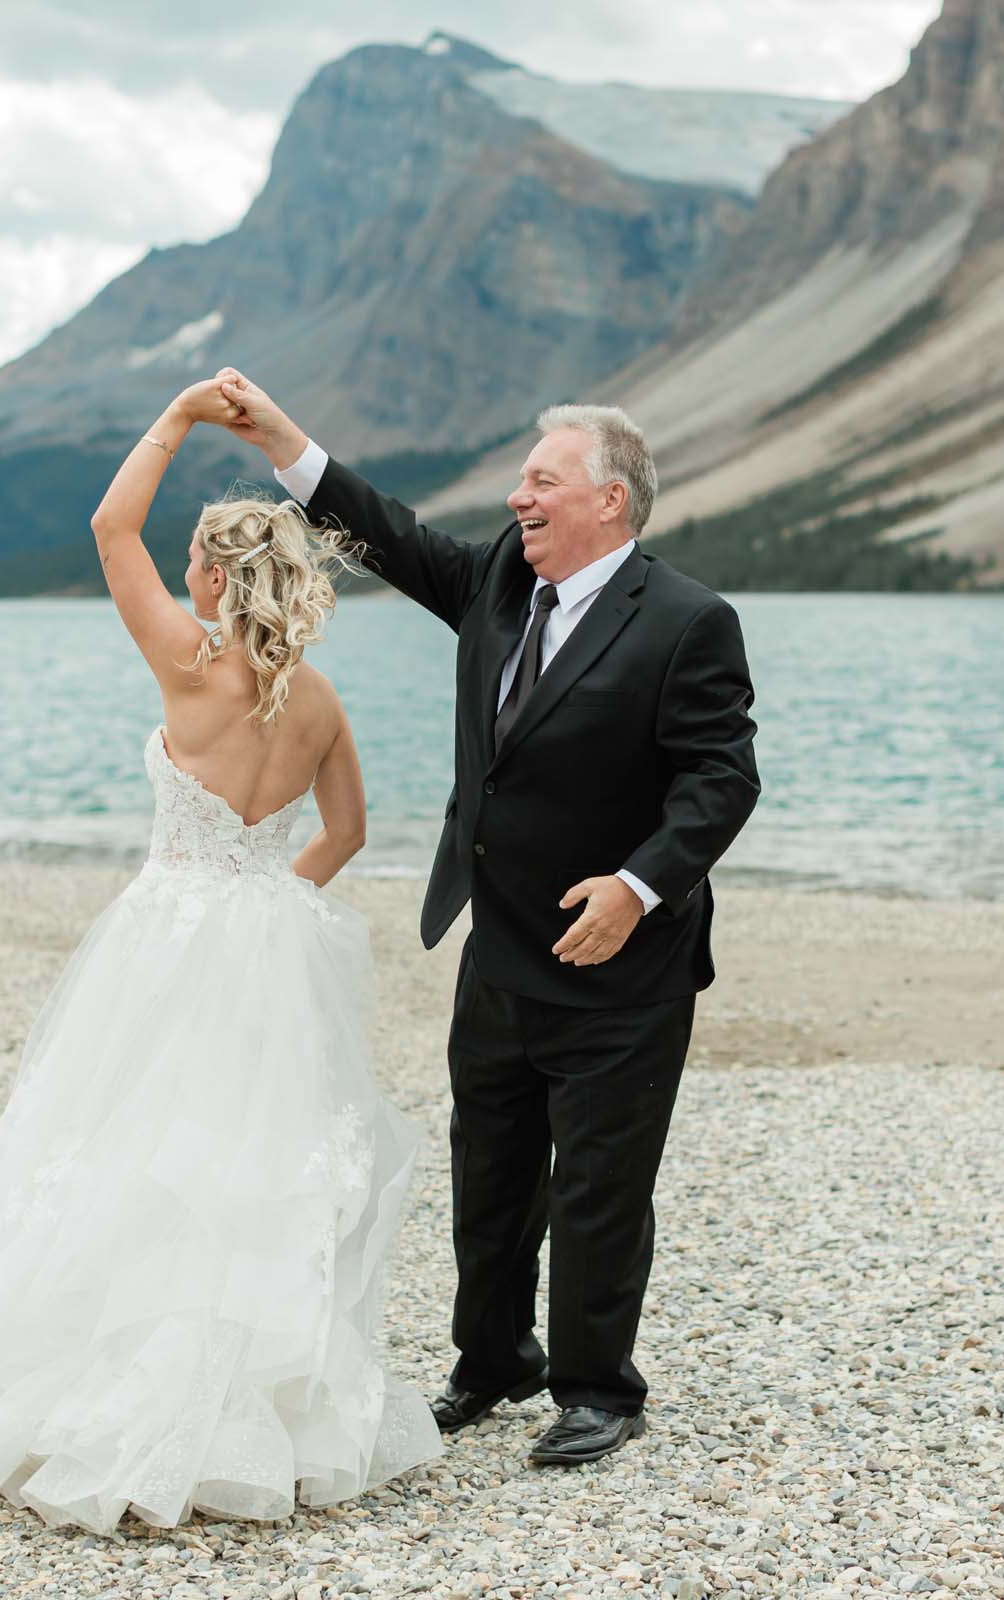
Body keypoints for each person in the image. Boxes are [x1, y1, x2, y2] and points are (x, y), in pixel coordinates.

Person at [0, 377, 442, 1534]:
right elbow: (345, 835)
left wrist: (180, 417)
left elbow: (106, 527)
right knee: (245, 1158)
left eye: (194, 562)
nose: (183, 577)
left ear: (210, 575)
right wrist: (263, 903)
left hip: (166, 933)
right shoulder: (321, 702)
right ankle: (249, 1410)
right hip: (263, 947)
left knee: (118, 1142)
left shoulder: (190, 663)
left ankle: (100, 1389)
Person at [212, 369, 760, 1466]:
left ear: (609, 498)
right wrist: (281, 438)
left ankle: (598, 1386)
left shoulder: (689, 622)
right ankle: (491, 1358)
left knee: (600, 1179)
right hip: (499, 945)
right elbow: (387, 534)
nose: (518, 497)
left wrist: (636, 885)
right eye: (519, 479)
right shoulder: (501, 585)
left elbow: (720, 778)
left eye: (541, 480)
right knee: (492, 1168)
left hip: (622, 963)